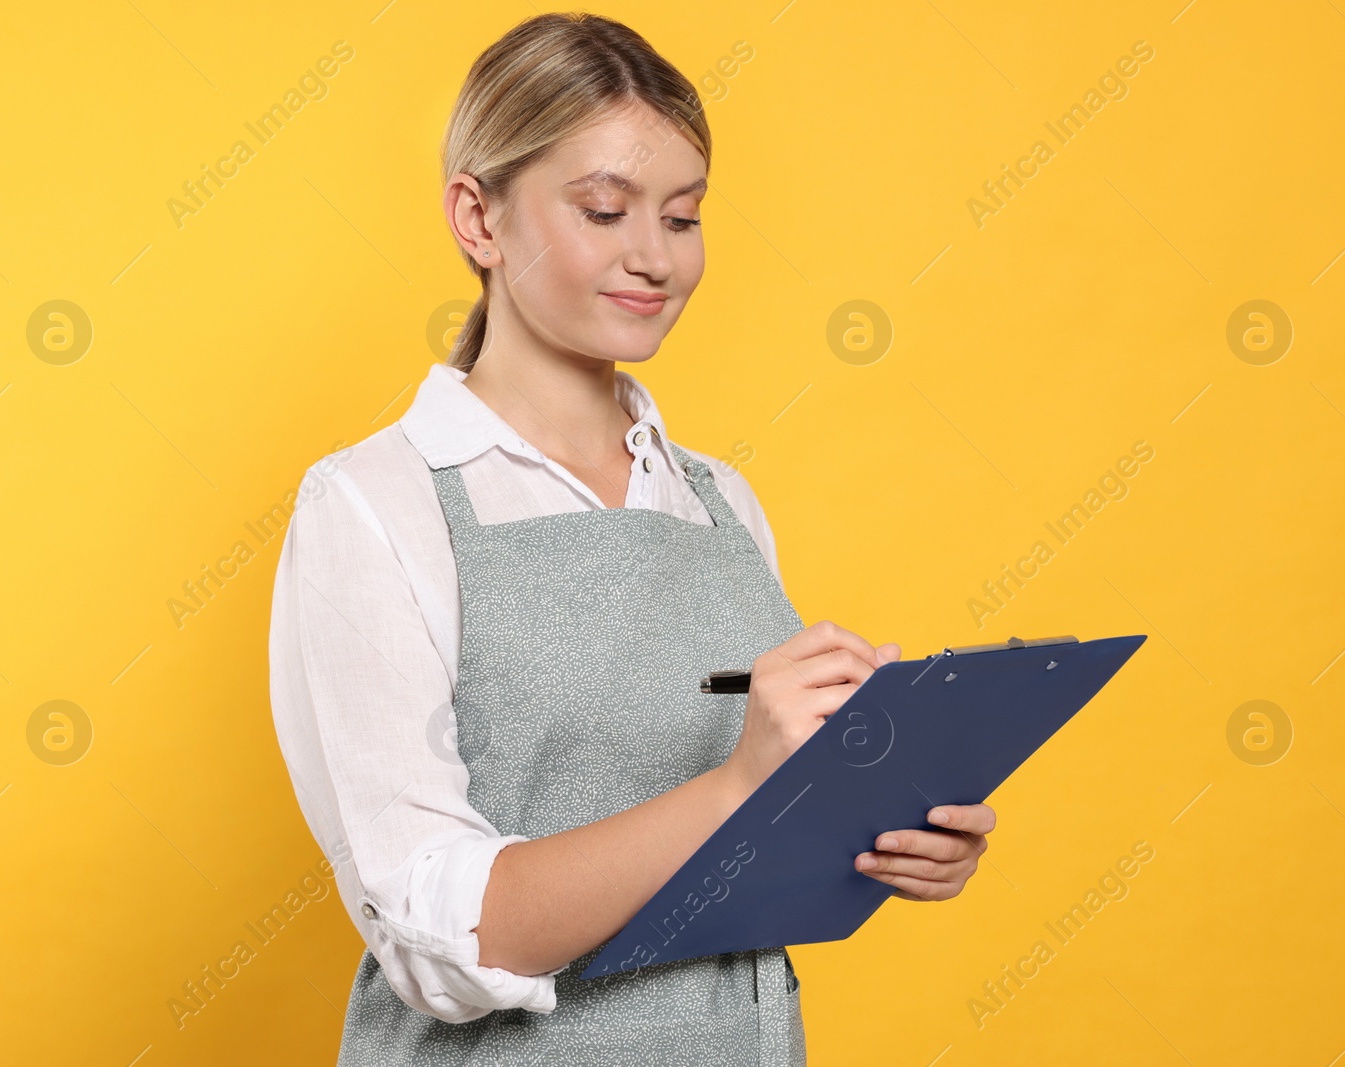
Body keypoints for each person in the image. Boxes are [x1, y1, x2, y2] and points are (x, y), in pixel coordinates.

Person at [268, 12, 995, 1065]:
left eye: (684, 216)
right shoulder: (373, 506)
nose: (654, 257)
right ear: (478, 216)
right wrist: (741, 781)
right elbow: (438, 935)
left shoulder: (718, 499)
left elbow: (747, 850)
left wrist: (879, 817)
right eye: (605, 210)